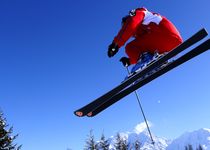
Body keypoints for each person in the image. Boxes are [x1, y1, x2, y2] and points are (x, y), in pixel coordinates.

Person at [107, 7, 183, 71]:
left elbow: (131, 24)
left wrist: (115, 44)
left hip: (165, 35)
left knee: (130, 47)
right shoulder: (143, 33)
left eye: (124, 26)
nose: (131, 35)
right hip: (172, 44)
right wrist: (129, 61)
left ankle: (148, 62)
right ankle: (156, 62)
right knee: (137, 49)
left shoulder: (140, 13)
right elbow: (144, 52)